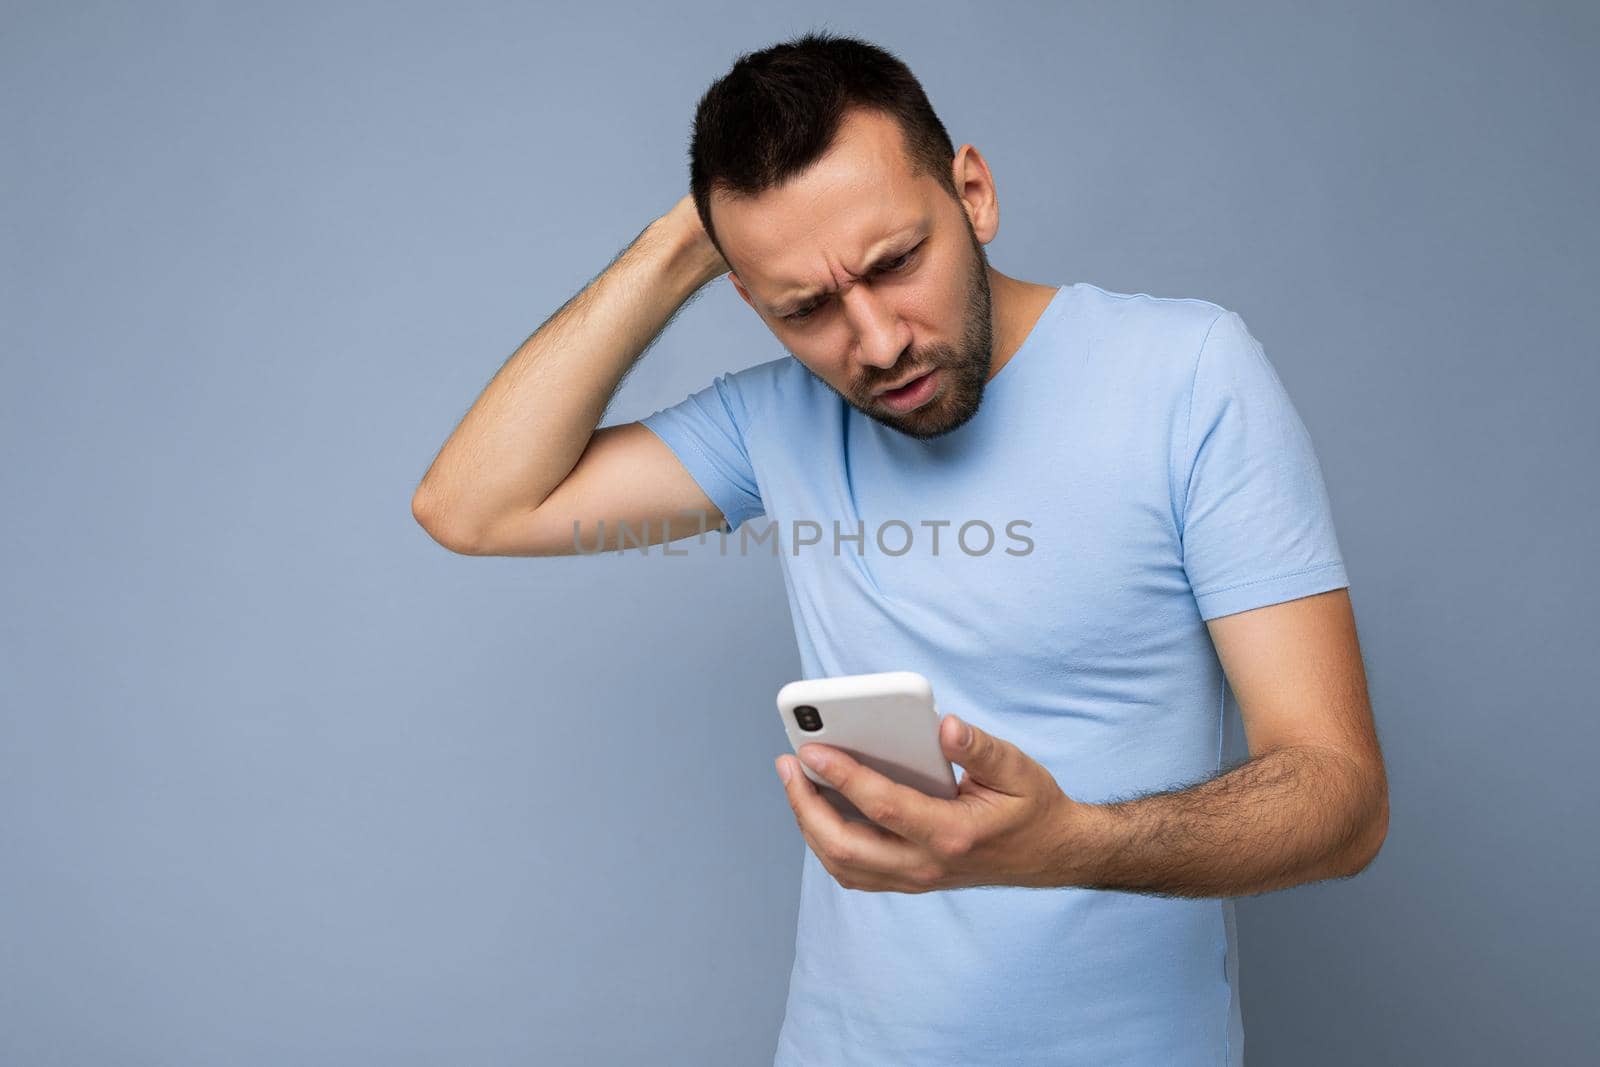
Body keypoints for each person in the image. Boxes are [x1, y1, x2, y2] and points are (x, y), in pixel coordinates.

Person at [411, 29, 1389, 1067]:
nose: (875, 342)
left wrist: (1069, 845)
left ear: (972, 192)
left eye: (894, 263)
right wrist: (673, 251)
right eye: (807, 305)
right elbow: (472, 508)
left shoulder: (1188, 375)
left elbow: (1340, 796)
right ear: (748, 298)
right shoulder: (770, 425)